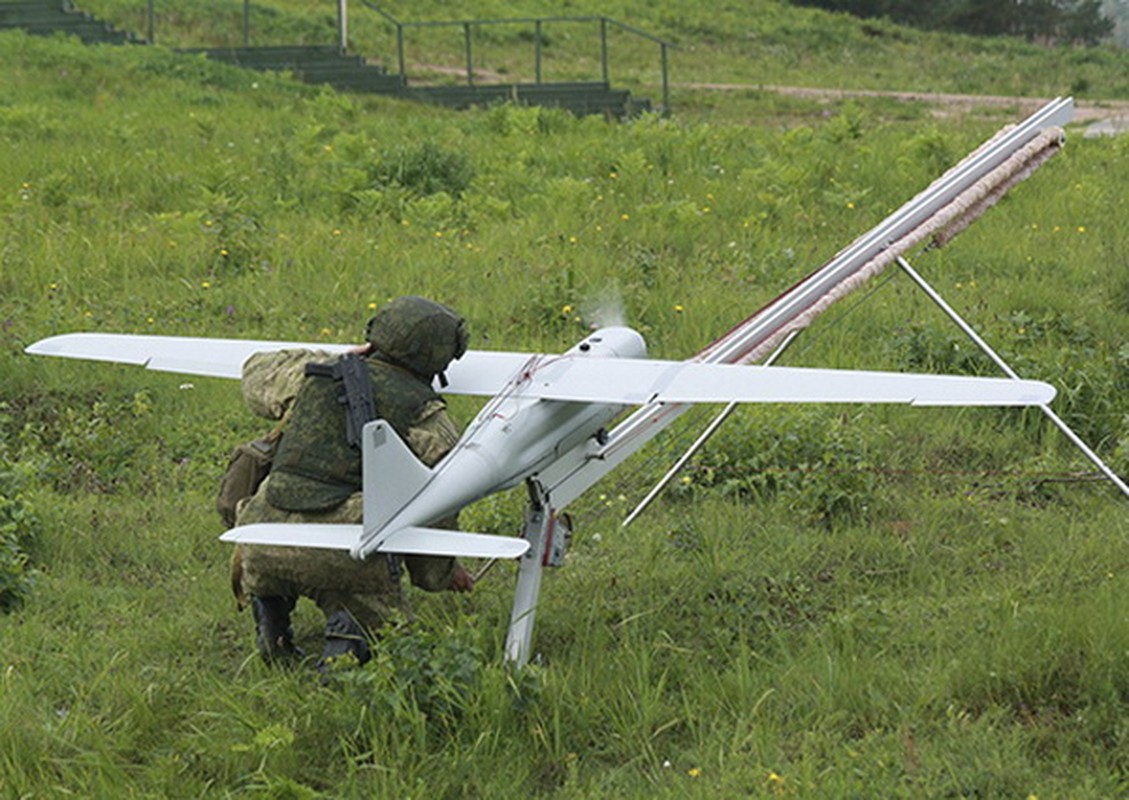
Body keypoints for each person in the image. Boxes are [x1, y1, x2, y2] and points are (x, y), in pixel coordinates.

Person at [229, 296, 475, 670]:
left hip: (260, 536)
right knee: (380, 618)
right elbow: (436, 508)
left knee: (270, 565)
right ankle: (346, 644)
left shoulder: (314, 374)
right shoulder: (428, 421)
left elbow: (256, 371)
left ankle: (271, 618)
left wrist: (344, 357)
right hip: (339, 548)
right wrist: (440, 575)